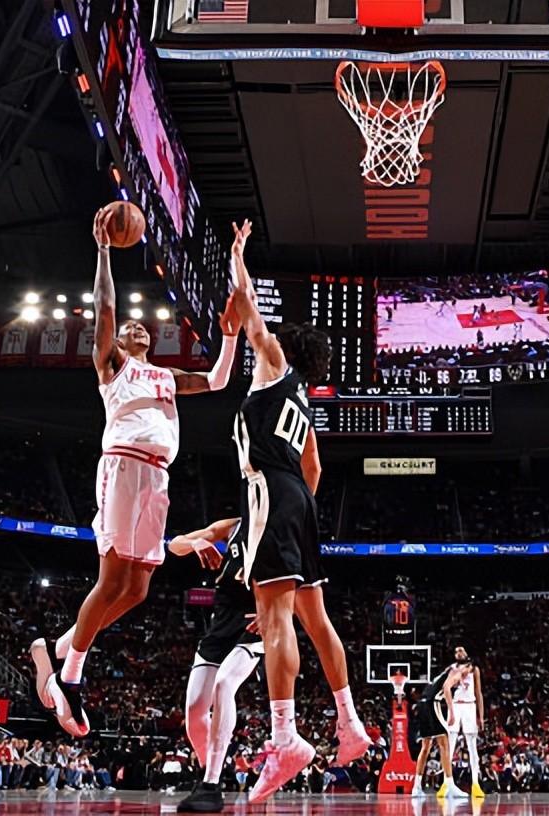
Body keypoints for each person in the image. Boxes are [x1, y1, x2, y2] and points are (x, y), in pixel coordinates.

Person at [31, 206, 241, 737]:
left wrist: (230, 335)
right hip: (123, 466)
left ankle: (58, 648)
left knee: (139, 588)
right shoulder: (113, 366)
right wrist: (104, 250)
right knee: (111, 578)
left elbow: (218, 380)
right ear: (119, 342)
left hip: (157, 477)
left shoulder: (167, 375)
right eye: (129, 327)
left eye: (141, 326)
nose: (137, 326)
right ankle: (70, 677)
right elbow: (105, 307)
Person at [227, 219, 371, 803]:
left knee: (275, 617)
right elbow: (314, 467)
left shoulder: (273, 368)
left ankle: (286, 737)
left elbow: (248, 308)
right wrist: (297, 507)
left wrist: (238, 256)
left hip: (269, 490)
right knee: (315, 618)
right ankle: (350, 722)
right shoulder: (303, 401)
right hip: (299, 499)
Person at [172, 517, 263, 812]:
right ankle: (210, 771)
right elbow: (174, 545)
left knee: (224, 684)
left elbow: (301, 580)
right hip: (220, 624)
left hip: (254, 625)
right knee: (194, 710)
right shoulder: (233, 526)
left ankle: (211, 783)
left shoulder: (278, 526)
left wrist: (278, 612)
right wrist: (196, 542)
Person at [409, 663, 458, 799]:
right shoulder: (454, 672)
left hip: (422, 705)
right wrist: (451, 711)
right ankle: (450, 785)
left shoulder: (439, 676)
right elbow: (447, 689)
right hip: (432, 705)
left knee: (425, 747)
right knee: (444, 745)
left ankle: (416, 787)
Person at [443, 647, 484, 798]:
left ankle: (475, 783)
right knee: (450, 745)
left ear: (467, 653)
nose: (459, 653)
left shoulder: (474, 670)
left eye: (461, 650)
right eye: (456, 651)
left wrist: (481, 715)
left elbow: (478, 693)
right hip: (455, 705)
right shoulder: (452, 669)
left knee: (472, 746)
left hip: (469, 706)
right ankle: (446, 783)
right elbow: (445, 689)